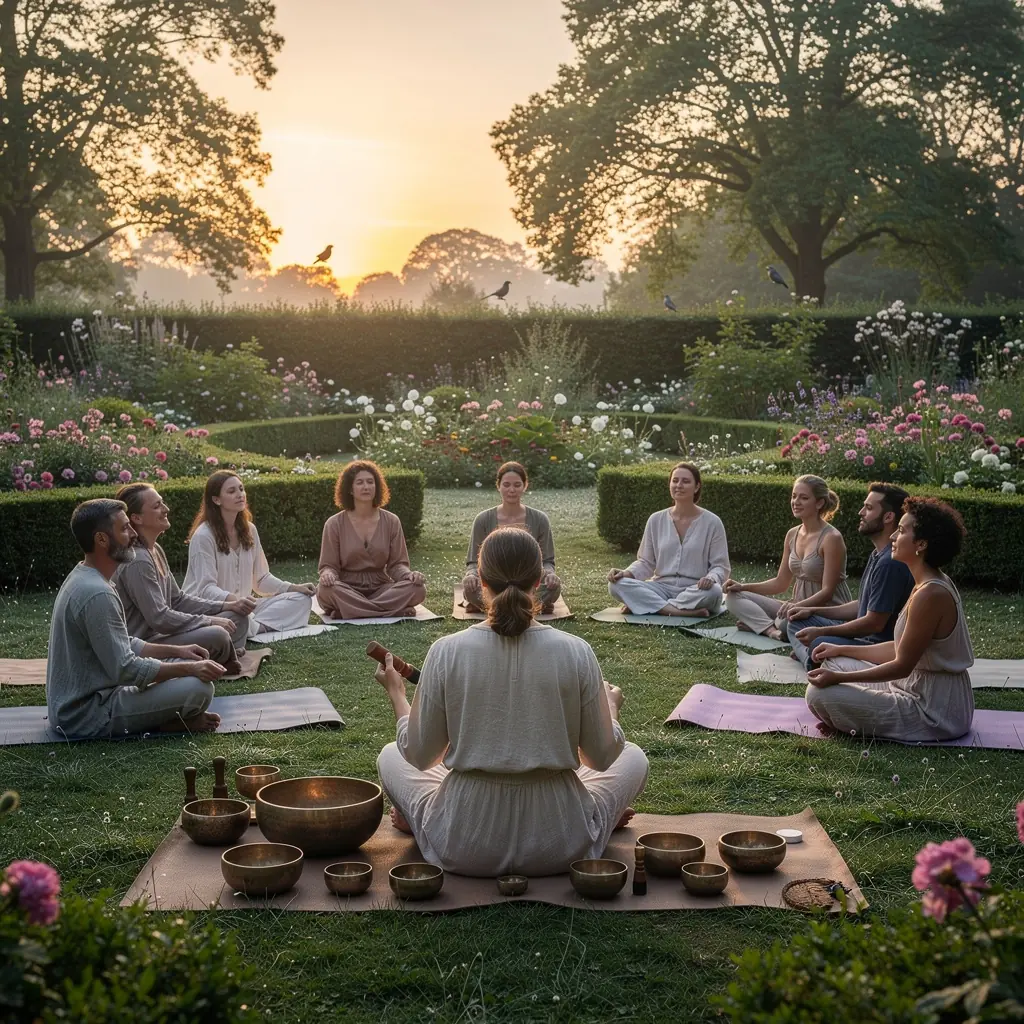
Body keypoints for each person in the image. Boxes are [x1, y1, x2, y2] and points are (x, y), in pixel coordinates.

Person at [375, 528, 649, 877]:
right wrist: (610, 709)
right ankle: (600, 818)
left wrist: (397, 693)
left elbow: (420, 756)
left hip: (464, 842)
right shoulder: (576, 651)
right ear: (538, 581)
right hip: (561, 843)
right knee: (633, 756)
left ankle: (421, 822)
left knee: (391, 754)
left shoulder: (446, 651)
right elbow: (599, 758)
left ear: (480, 582)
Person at [46, 499, 225, 738]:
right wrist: (190, 668)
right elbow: (126, 669)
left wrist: (179, 652)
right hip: (88, 714)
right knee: (198, 687)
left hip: (96, 697)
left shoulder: (86, 576)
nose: (133, 534)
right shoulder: (97, 593)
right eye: (124, 528)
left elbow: (122, 642)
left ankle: (165, 718)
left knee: (181, 664)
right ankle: (164, 724)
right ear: (101, 539)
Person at [805, 498, 974, 742]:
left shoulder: (931, 593)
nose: (893, 536)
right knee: (834, 662)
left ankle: (851, 714)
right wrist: (840, 648)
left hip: (932, 711)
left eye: (901, 531)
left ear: (921, 544)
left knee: (818, 694)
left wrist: (840, 679)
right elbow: (900, 648)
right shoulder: (926, 583)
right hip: (910, 685)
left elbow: (902, 665)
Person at [112, 483, 255, 671]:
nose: (166, 509)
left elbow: (177, 600)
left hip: (168, 635)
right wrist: (208, 621)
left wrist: (227, 606)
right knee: (217, 635)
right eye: (157, 506)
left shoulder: (155, 549)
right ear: (136, 518)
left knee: (238, 616)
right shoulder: (138, 561)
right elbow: (159, 618)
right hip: (150, 643)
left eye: (162, 503)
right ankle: (221, 653)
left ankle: (222, 653)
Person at [788, 483, 915, 669]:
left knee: (818, 642)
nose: (860, 512)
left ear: (888, 517)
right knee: (797, 622)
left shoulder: (889, 563)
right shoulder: (878, 554)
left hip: (874, 647)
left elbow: (874, 624)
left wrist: (822, 632)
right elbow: (862, 605)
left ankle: (812, 658)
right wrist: (813, 611)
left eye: (869, 508)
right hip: (862, 638)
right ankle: (813, 655)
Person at [182, 471, 314, 635]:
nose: (240, 495)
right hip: (212, 609)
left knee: (301, 599)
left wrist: (294, 587)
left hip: (243, 608)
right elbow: (206, 590)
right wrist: (235, 602)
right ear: (216, 500)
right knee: (235, 616)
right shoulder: (203, 536)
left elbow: (261, 579)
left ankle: (252, 627)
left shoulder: (250, 530)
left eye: (241, 489)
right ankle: (250, 626)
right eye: (231, 491)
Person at [724, 474, 852, 640]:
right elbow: (780, 583)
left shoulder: (831, 538)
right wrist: (743, 586)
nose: (796, 502)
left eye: (804, 498)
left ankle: (764, 625)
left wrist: (797, 607)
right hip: (795, 607)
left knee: (787, 622)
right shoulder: (792, 534)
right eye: (794, 496)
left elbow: (827, 593)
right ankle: (772, 630)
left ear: (819, 503)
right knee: (733, 597)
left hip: (827, 612)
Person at [607, 462, 729, 616]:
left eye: (686, 481)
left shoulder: (713, 522)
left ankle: (646, 605)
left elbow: (720, 566)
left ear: (696, 487)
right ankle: (677, 611)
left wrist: (711, 578)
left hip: (695, 589)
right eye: (675, 480)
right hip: (660, 588)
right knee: (616, 585)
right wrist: (626, 573)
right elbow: (645, 562)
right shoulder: (655, 519)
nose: (679, 485)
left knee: (714, 592)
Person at [316, 460, 426, 618]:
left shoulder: (391, 521)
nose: (366, 487)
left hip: (381, 588)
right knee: (325, 590)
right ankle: (392, 610)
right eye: (360, 483)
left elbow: (397, 565)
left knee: (417, 589)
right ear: (350, 489)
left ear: (377, 486)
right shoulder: (334, 524)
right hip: (347, 588)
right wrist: (328, 574)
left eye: (370, 482)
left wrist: (409, 575)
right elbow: (328, 566)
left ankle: (349, 611)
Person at [462, 461, 561, 614]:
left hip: (528, 582)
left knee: (553, 588)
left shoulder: (540, 519)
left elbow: (547, 561)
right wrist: (471, 575)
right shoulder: (483, 519)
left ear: (525, 486)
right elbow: (473, 562)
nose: (512, 490)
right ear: (498, 486)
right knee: (470, 590)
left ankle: (494, 606)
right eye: (506, 485)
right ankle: (530, 605)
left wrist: (550, 575)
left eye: (517, 485)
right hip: (494, 581)